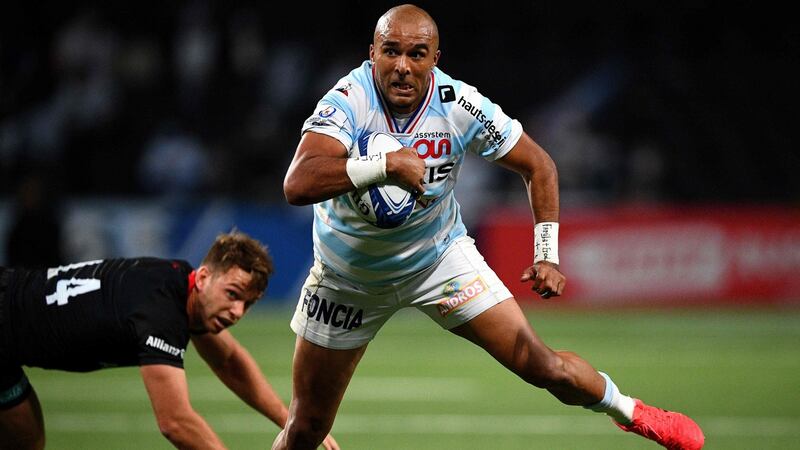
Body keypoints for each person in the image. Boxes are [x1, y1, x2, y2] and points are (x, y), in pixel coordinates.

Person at [274, 4, 704, 450]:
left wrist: (546, 254)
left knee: (544, 367)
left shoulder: (459, 104)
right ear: (372, 53)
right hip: (347, 281)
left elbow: (539, 166)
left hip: (438, 262)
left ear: (435, 60)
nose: (402, 66)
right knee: (306, 429)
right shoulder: (348, 99)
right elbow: (297, 183)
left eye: (417, 54)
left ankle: (633, 412)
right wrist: (384, 165)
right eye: (391, 52)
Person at [0, 231, 339, 450]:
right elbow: (175, 422)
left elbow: (229, 361)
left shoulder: (178, 281)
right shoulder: (160, 312)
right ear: (204, 277)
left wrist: (289, 421)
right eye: (233, 294)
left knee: (27, 442)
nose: (237, 311)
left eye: (247, 304)